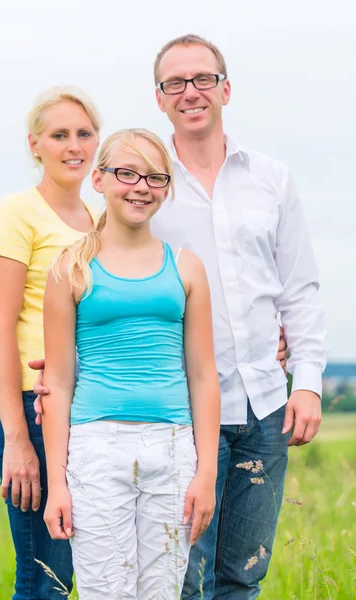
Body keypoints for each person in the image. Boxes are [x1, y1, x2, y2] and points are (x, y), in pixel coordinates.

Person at [150, 35, 328, 599]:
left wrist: (308, 385)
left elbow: (299, 289)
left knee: (243, 578)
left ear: (226, 89)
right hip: (180, 409)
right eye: (174, 82)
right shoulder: (146, 184)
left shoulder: (271, 179)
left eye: (202, 79)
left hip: (264, 407)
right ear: (159, 99)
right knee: (184, 579)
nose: (190, 92)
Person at [40, 128, 220, 600]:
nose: (141, 186)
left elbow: (202, 376)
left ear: (166, 188)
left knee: (162, 592)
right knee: (105, 591)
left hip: (175, 447)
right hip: (97, 449)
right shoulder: (70, 268)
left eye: (155, 177)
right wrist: (56, 483)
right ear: (98, 180)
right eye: (127, 173)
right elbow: (57, 380)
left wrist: (206, 474)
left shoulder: (186, 267)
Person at [0, 86, 101, 599]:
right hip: (30, 411)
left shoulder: (99, 220)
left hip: (86, 407)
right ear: (35, 145)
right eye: (59, 135)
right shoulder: (17, 212)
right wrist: (16, 438)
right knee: (43, 583)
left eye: (84, 133)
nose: (74, 146)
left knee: (75, 578)